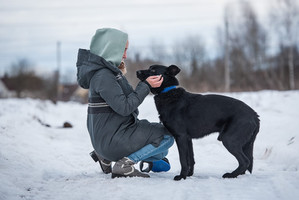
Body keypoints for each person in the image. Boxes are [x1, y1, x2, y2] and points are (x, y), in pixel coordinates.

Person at [76, 28, 174, 178]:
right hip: (113, 138)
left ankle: (105, 157)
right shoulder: (104, 76)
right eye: (124, 49)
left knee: (161, 151)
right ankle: (125, 165)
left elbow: (124, 102)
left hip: (111, 136)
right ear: (111, 47)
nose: (126, 55)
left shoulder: (107, 73)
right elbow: (125, 107)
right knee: (169, 134)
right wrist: (145, 85)